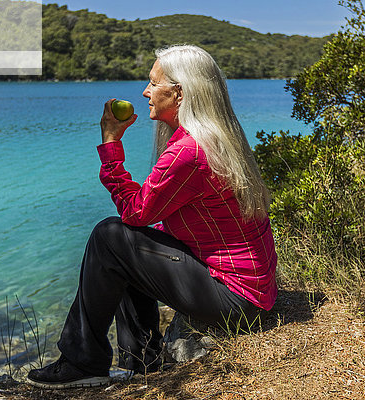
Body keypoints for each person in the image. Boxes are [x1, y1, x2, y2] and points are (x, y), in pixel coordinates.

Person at [27, 44, 277, 389]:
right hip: (253, 292)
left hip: (235, 299)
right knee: (129, 243)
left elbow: (134, 212)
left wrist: (111, 145)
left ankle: (82, 362)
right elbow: (153, 222)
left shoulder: (188, 152)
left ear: (179, 93)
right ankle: (142, 364)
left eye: (153, 84)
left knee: (110, 236)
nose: (145, 92)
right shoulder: (217, 136)